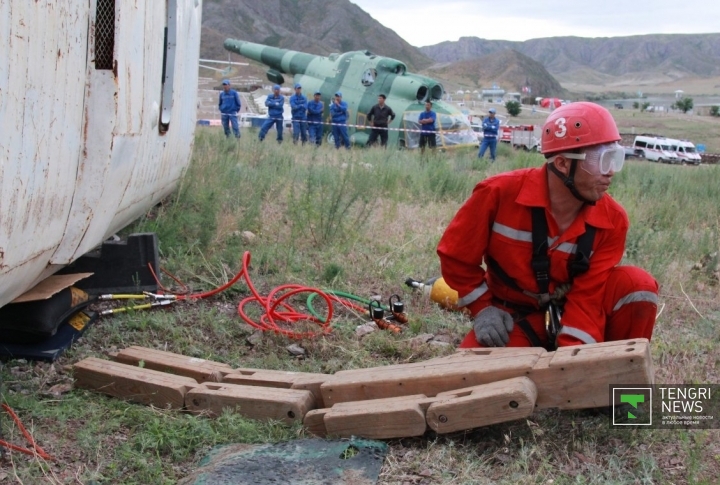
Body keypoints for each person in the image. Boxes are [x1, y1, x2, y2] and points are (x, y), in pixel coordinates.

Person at [437, 102, 658, 350]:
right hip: (514, 316)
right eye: (602, 160)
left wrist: (571, 358)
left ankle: (625, 382)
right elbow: (455, 256)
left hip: (577, 312)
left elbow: (588, 298)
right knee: (475, 375)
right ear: (563, 163)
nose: (611, 173)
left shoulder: (613, 220)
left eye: (615, 159)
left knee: (638, 285)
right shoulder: (497, 194)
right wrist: (483, 309)